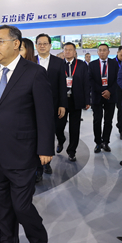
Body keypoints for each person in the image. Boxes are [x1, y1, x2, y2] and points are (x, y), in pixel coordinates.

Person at [0, 25, 54, 243]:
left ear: (16, 44)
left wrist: (45, 148)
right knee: (3, 206)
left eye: (0, 42)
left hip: (23, 152)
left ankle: (39, 239)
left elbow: (45, 114)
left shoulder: (34, 72)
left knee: (21, 206)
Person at [34, 33, 67, 181]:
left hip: (52, 105)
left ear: (50, 45)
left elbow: (62, 85)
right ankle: (37, 168)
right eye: (39, 43)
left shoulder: (58, 62)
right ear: (36, 46)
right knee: (35, 135)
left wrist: (62, 104)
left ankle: (46, 162)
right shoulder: (30, 61)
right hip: (33, 105)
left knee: (49, 133)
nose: (42, 46)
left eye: (45, 43)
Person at [56, 42, 90, 161]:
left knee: (74, 128)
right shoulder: (58, 64)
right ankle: (61, 140)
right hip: (62, 101)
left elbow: (86, 83)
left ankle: (72, 151)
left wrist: (87, 100)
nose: (68, 51)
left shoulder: (81, 65)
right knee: (58, 126)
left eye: (70, 50)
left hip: (76, 99)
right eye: (66, 49)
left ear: (75, 52)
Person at [88, 44, 119, 153]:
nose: (102, 52)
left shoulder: (114, 64)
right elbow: (90, 80)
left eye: (104, 50)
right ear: (97, 52)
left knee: (108, 120)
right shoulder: (92, 64)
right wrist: (102, 91)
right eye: (100, 50)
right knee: (97, 120)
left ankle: (106, 142)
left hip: (111, 96)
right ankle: (98, 143)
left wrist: (109, 91)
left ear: (108, 52)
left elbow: (117, 79)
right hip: (97, 96)